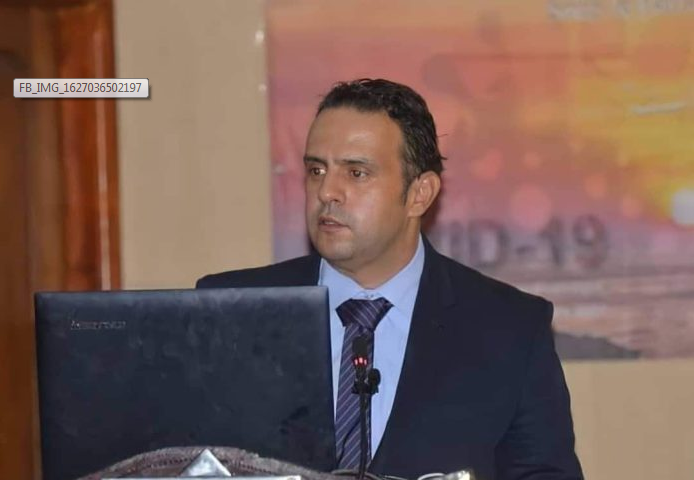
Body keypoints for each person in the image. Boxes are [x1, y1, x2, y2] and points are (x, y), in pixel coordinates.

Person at [197, 79, 583, 480]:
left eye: (356, 173)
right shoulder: (229, 312)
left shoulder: (510, 328)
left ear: (419, 194)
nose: (327, 191)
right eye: (316, 170)